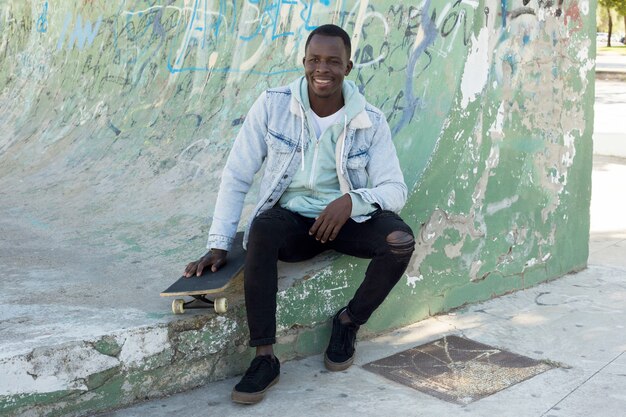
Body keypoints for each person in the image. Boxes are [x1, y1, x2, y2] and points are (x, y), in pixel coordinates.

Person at [183, 24, 415, 405]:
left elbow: (395, 190)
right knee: (261, 229)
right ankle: (265, 357)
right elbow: (237, 174)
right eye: (314, 60)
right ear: (304, 62)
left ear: (349, 66)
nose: (322, 69)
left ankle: (349, 322)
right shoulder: (273, 105)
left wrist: (351, 202)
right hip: (292, 222)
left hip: (346, 221)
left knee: (399, 242)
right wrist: (218, 244)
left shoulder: (369, 120)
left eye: (333, 61)